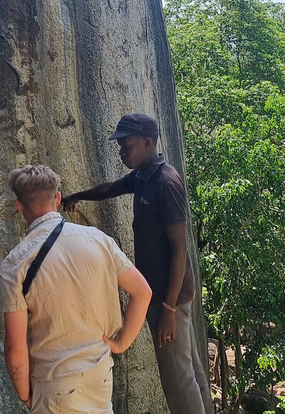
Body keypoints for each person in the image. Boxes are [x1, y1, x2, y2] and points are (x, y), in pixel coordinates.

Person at [62, 113, 212, 414]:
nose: (122, 152)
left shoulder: (165, 182)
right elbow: (111, 188)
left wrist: (168, 309)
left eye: (127, 145)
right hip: (163, 292)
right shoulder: (144, 175)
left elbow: (179, 248)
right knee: (191, 372)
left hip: (166, 296)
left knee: (179, 382)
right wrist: (73, 196)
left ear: (147, 143)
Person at [1, 164, 152, 413]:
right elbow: (142, 292)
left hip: (54, 386)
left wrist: (25, 394)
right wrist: (121, 343)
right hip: (100, 374)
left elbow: (15, 348)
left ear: (19, 206)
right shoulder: (98, 239)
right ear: (58, 198)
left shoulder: (15, 263)